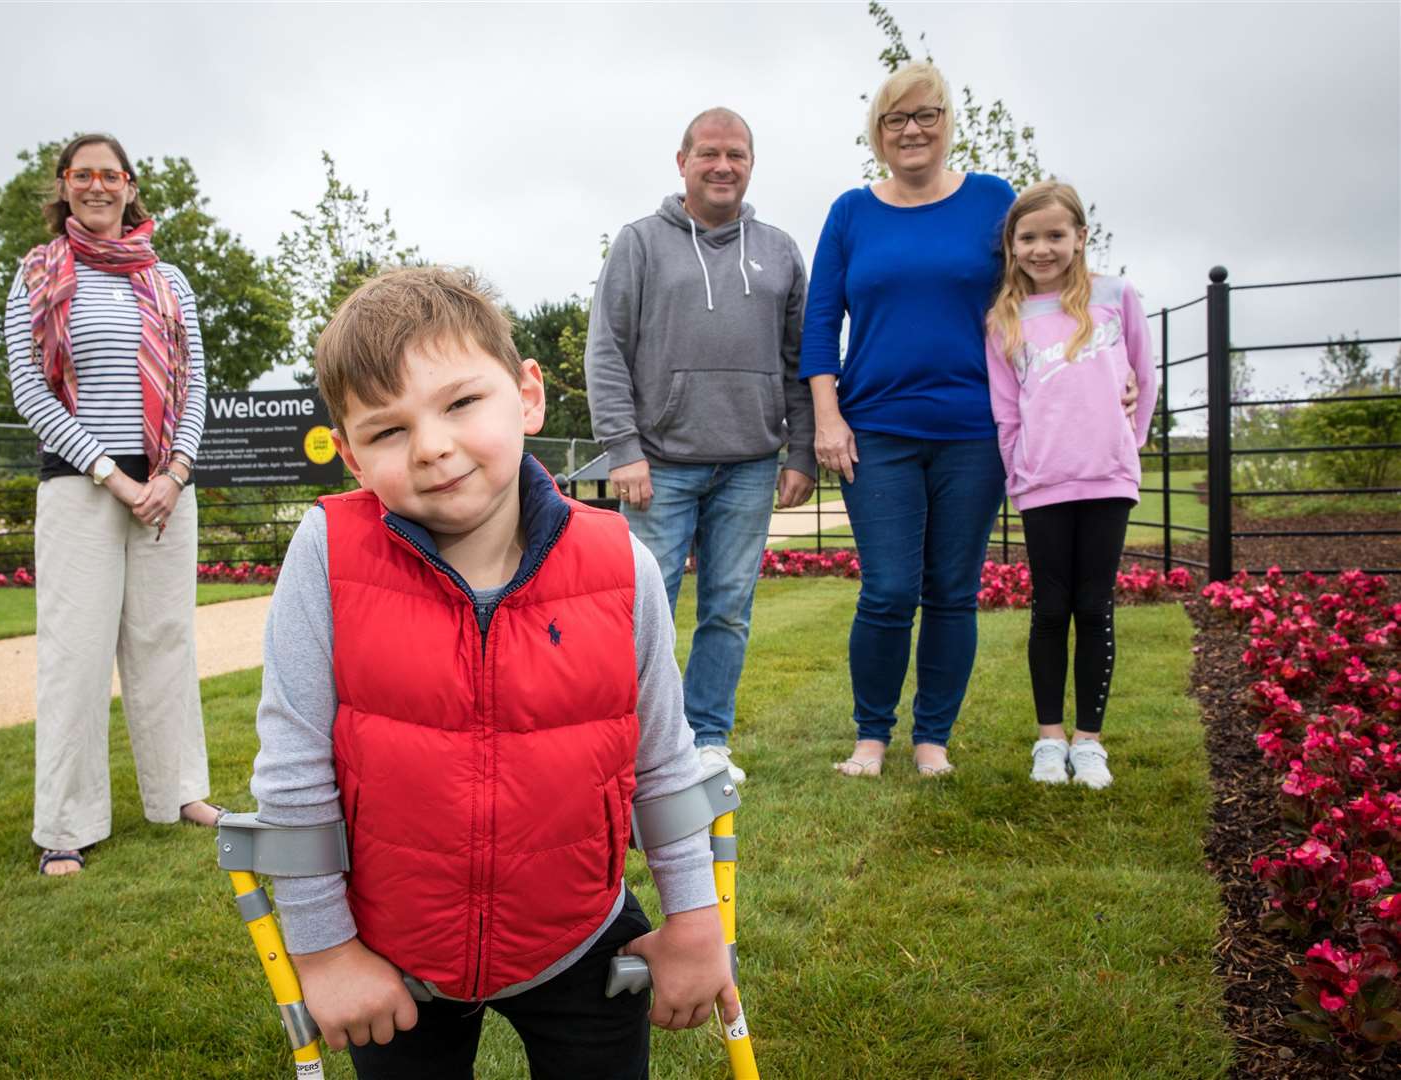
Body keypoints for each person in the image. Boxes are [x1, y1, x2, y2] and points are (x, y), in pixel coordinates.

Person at [250, 267, 737, 1078]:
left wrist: (692, 921)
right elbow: (294, 772)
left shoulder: (621, 563)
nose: (433, 446)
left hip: (580, 934)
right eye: (387, 430)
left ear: (527, 393)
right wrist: (326, 952)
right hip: (392, 949)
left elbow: (662, 762)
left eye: (461, 403)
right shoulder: (327, 555)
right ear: (351, 456)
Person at [6, 133, 220, 876]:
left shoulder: (169, 281)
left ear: (129, 187)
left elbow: (193, 388)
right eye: (82, 175)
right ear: (64, 186)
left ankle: (181, 792)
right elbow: (30, 391)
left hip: (165, 488)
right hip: (80, 485)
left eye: (111, 175)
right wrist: (112, 474)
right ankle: (66, 825)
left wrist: (176, 472)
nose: (97, 186)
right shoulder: (37, 275)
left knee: (165, 644)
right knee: (76, 655)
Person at [585, 106, 816, 785]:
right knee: (642, 610)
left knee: (728, 609)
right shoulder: (640, 243)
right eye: (709, 153)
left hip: (750, 463)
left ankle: (708, 737)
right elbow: (607, 350)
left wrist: (799, 450)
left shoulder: (779, 251)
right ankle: (637, 739)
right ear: (682, 162)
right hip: (658, 462)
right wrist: (622, 447)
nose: (723, 166)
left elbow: (801, 358)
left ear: (750, 164)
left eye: (736, 154)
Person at [800, 62, 1017, 779]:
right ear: (879, 134)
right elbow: (821, 322)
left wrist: (1103, 358)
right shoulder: (851, 213)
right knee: (889, 587)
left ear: (948, 123)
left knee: (952, 590)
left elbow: (1043, 290)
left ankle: (933, 740)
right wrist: (827, 419)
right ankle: (871, 737)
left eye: (926, 115)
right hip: (877, 430)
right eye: (897, 119)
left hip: (974, 431)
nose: (913, 129)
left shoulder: (993, 201)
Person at [985, 181, 1157, 789]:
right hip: (1043, 485)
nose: (1042, 248)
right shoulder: (1004, 319)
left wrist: (1124, 448)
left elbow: (1145, 376)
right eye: (1028, 237)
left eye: (1055, 235)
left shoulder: (1115, 297)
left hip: (1109, 479)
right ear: (1012, 245)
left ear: (1080, 237)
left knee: (1095, 605)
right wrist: (1019, 473)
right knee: (1050, 607)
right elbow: (1007, 412)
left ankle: (1089, 742)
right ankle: (1049, 740)